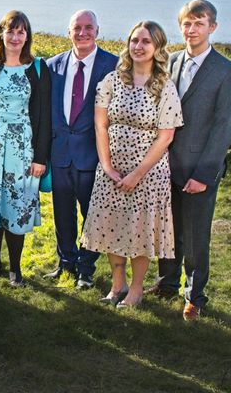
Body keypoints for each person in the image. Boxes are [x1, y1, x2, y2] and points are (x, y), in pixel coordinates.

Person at [80, 21, 183, 308]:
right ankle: (117, 285)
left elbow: (166, 136)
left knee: (140, 232)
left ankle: (136, 290)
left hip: (149, 173)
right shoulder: (112, 80)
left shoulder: (164, 86)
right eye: (134, 40)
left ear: (157, 47)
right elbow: (101, 126)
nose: (138, 46)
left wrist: (137, 174)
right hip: (111, 171)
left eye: (146, 41)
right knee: (112, 226)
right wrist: (108, 167)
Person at [147, 0, 231, 321]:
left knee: (196, 237)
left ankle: (195, 296)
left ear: (213, 27)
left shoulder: (225, 72)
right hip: (165, 165)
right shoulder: (171, 62)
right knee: (167, 231)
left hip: (199, 170)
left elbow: (224, 127)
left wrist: (205, 173)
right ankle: (167, 282)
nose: (192, 29)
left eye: (199, 23)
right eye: (186, 23)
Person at [0, 10, 51, 287]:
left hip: (22, 148)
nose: (15, 37)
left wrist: (40, 157)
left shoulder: (37, 68)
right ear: (1, 34)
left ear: (27, 36)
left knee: (17, 205)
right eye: (11, 31)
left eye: (21, 32)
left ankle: (16, 267)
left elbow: (44, 116)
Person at [45, 10, 118, 289]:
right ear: (69, 32)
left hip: (95, 157)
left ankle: (86, 268)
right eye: (77, 27)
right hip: (60, 154)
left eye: (89, 27)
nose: (83, 32)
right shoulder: (53, 66)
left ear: (97, 31)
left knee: (93, 216)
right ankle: (66, 263)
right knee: (62, 214)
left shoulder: (113, 65)